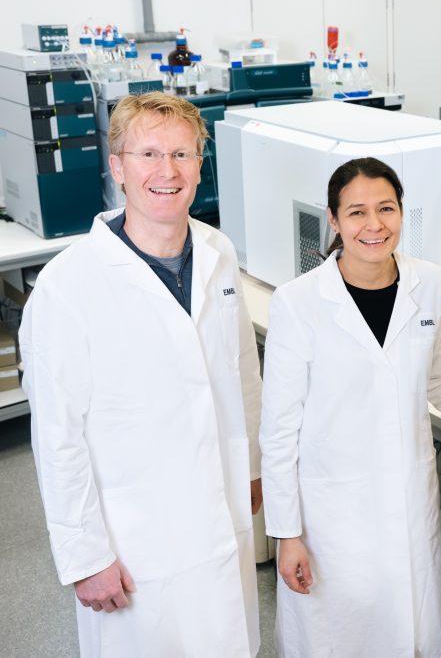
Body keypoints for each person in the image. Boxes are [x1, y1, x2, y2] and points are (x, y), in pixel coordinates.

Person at [20, 92, 263, 657]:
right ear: (117, 167)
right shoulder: (68, 287)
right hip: (136, 535)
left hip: (221, 503)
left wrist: (250, 465)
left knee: (228, 635)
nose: (167, 171)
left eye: (183, 154)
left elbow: (241, 371)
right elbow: (57, 436)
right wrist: (85, 557)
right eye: (148, 153)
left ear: (201, 166)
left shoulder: (217, 251)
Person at [260, 157, 441, 657]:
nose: (374, 225)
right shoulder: (297, 303)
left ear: (403, 212)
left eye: (386, 209)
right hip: (331, 515)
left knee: (409, 623)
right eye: (357, 213)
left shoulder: (429, 284)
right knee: (338, 634)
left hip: (408, 498)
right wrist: (287, 534)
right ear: (333, 220)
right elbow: (279, 432)